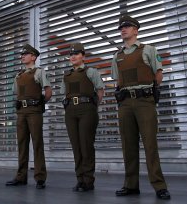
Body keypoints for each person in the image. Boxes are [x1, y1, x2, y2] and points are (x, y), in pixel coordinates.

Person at [111, 14, 171, 200]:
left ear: (136, 30)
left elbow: (158, 74)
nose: (123, 29)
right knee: (128, 146)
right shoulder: (117, 56)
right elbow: (117, 81)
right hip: (125, 103)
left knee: (150, 144)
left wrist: (152, 92)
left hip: (144, 101)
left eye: (127, 26)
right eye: (121, 27)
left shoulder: (149, 50)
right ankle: (131, 185)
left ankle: (159, 186)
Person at [6, 44, 52, 189]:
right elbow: (16, 92)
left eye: (25, 54)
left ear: (33, 57)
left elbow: (48, 91)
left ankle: (40, 178)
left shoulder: (39, 72)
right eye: (22, 54)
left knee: (37, 143)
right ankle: (21, 177)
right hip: (21, 112)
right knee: (22, 144)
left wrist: (40, 103)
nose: (22, 56)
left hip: (34, 111)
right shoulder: (18, 75)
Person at [61, 43, 104, 192]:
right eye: (71, 54)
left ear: (83, 56)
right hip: (71, 111)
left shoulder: (91, 72)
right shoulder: (66, 75)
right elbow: (64, 93)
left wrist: (93, 107)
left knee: (86, 145)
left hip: (87, 110)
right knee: (76, 146)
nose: (73, 56)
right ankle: (80, 179)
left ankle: (88, 180)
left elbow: (100, 91)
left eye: (77, 53)